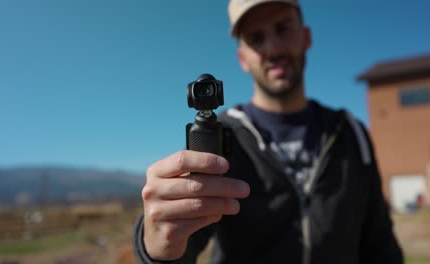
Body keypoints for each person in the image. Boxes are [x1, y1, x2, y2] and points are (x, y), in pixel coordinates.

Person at [133, 0, 403, 263]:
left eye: (283, 29)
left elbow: (380, 246)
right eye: (256, 38)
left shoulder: (351, 134)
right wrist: (157, 244)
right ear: (242, 58)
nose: (273, 48)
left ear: (306, 37)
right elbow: (185, 241)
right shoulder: (221, 138)